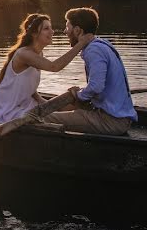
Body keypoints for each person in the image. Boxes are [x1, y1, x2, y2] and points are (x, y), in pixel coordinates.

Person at [38, 7, 137, 135]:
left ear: (78, 30)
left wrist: (78, 95)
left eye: (68, 27)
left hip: (111, 121)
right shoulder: (101, 43)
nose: (65, 31)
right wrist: (80, 95)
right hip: (118, 118)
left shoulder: (93, 50)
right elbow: (97, 87)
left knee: (43, 117)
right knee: (65, 107)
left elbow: (96, 87)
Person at [0, 13, 94, 124]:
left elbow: (30, 88)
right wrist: (81, 43)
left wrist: (46, 103)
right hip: (3, 109)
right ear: (34, 34)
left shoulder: (39, 54)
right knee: (53, 118)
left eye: (51, 28)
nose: (52, 31)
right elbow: (54, 67)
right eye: (46, 28)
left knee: (67, 108)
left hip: (24, 104)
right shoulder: (23, 54)